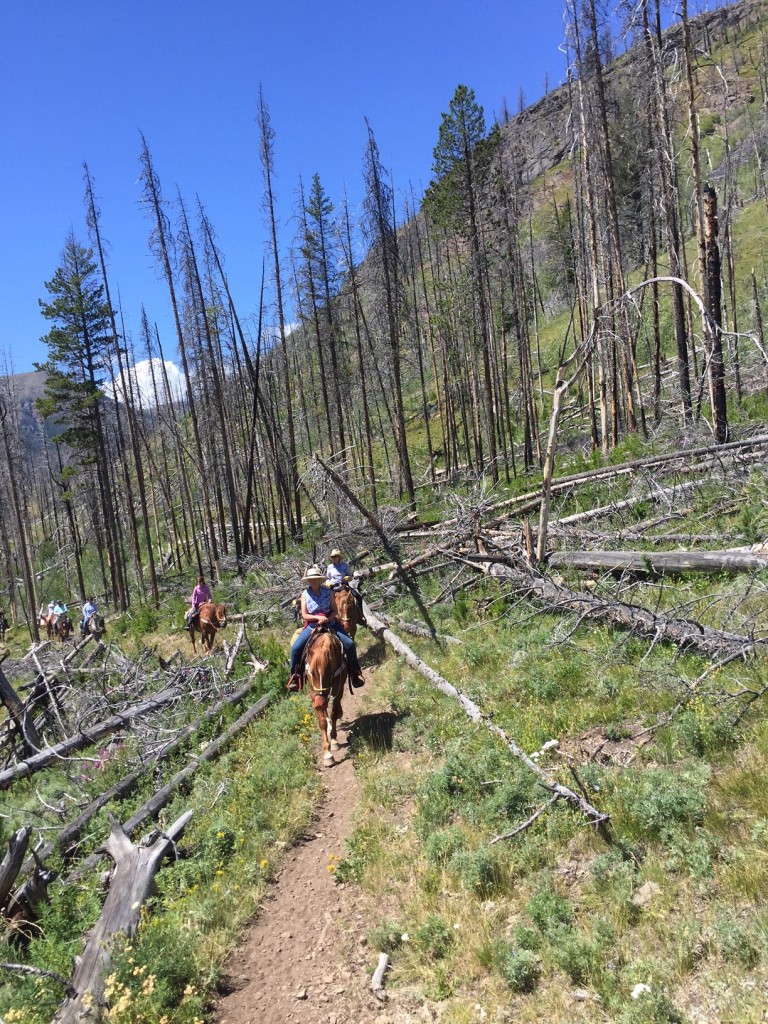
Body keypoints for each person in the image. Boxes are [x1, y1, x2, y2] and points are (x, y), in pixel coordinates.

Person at [287, 565, 364, 691]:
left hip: (331, 623)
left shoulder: (329, 592)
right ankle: (296, 676)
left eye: (315, 579)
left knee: (349, 644)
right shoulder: (305, 594)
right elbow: (305, 614)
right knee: (296, 648)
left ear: (320, 580)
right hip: (313, 625)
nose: (313, 581)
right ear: (308, 581)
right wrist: (317, 618)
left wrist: (328, 618)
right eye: (310, 580)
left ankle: (354, 673)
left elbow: (335, 610)